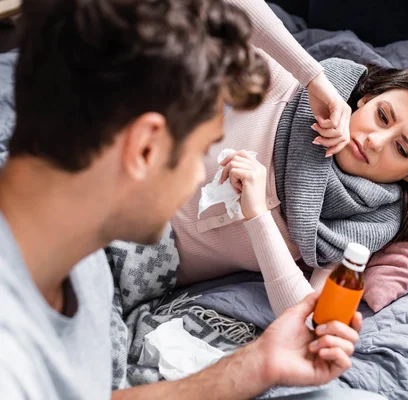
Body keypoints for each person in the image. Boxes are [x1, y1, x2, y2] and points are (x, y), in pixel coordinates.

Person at [0, 0, 387, 399]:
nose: (195, 178)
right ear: (146, 148)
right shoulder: (12, 357)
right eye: (201, 150)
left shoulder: (71, 251)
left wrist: (256, 363)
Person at [172, 5, 408, 317]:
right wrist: (312, 77)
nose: (375, 140)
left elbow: (303, 319)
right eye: (382, 116)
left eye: (401, 149)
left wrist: (258, 216)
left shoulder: (357, 229)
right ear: (367, 99)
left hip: (141, 266)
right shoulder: (285, 86)